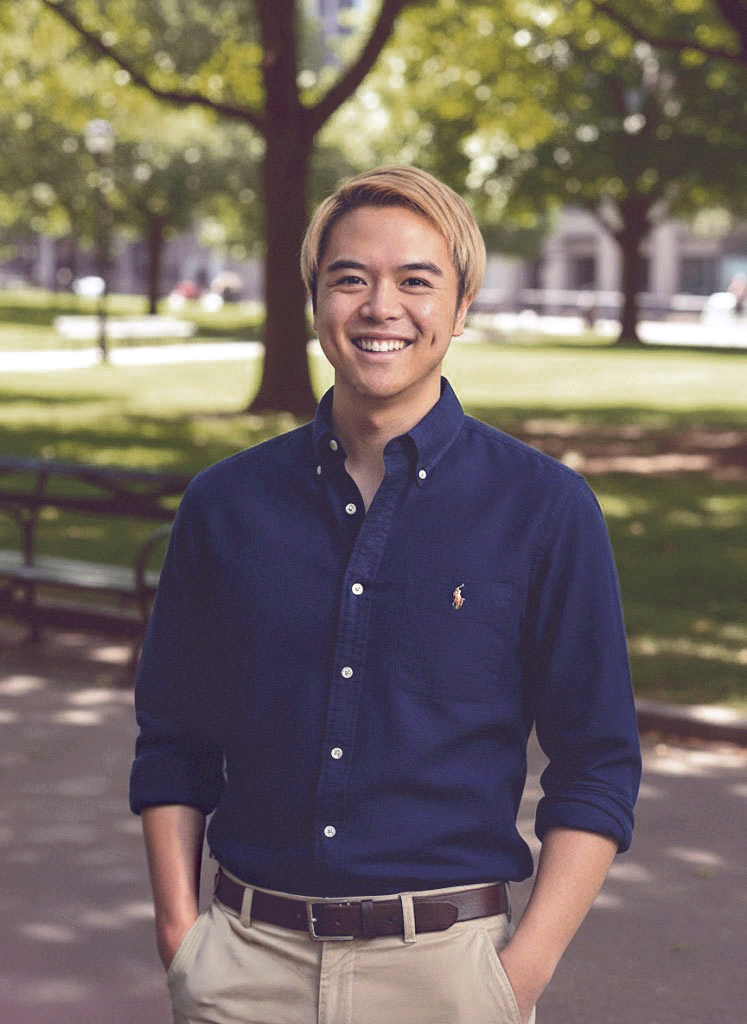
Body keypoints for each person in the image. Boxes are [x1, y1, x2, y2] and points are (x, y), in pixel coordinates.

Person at [130, 165, 641, 1024]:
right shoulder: (224, 506)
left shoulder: (545, 510)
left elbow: (596, 762)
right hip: (242, 971)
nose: (380, 307)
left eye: (415, 280)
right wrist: (180, 934)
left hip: (446, 980)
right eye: (349, 279)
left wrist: (519, 975)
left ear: (460, 306)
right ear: (314, 299)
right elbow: (174, 737)